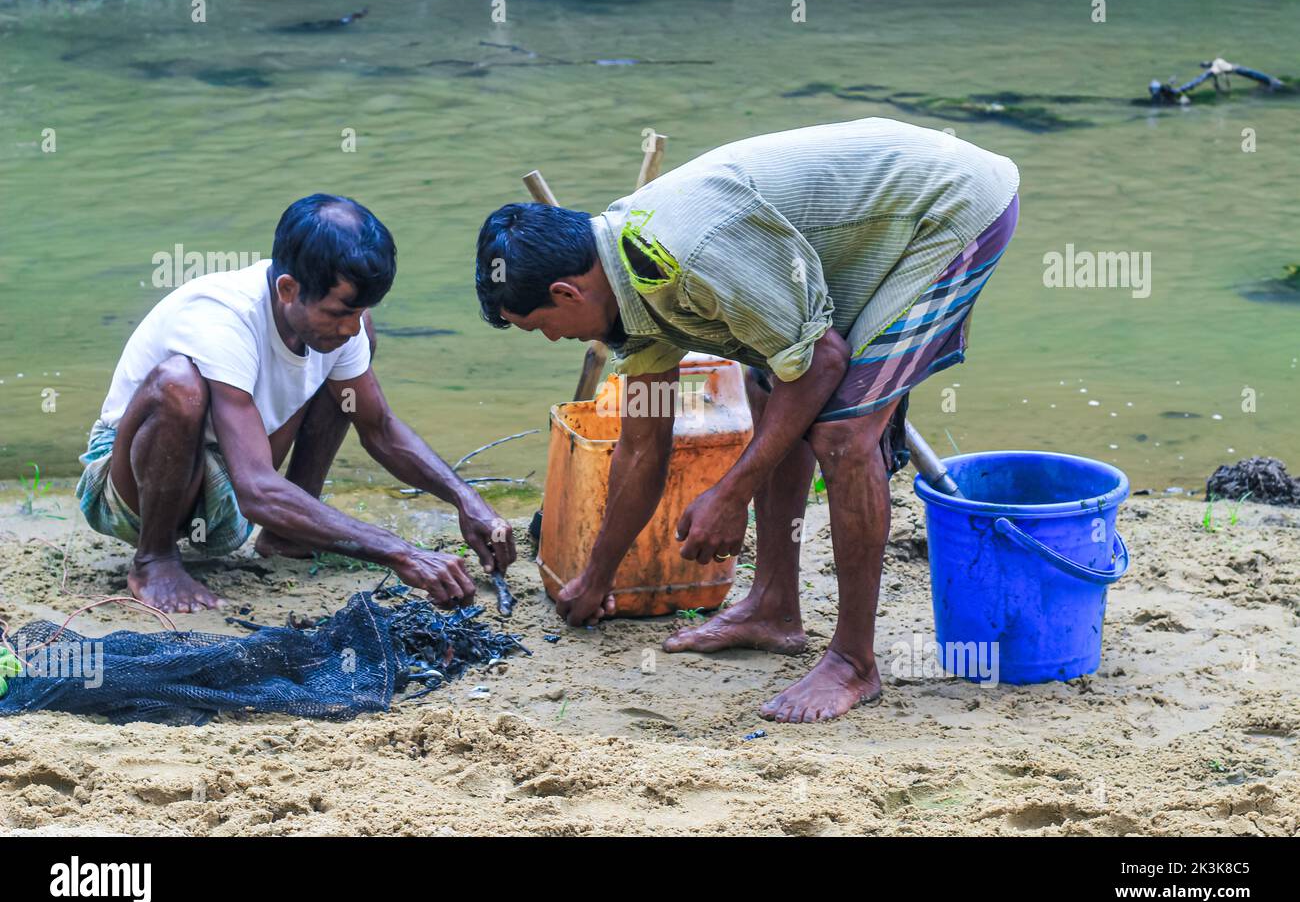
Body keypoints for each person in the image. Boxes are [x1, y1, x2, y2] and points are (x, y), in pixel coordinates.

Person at [474, 118, 1018, 722]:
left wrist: (731, 493)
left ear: (567, 294)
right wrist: (597, 576)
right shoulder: (628, 285)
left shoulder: (688, 253)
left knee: (842, 433)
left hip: (950, 209)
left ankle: (854, 662)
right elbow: (639, 449)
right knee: (766, 384)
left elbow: (820, 363)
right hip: (870, 225)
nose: (551, 338)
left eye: (540, 326)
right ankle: (774, 607)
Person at [78, 194, 516, 612]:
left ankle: (287, 536)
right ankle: (154, 559)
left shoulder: (341, 324)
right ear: (287, 288)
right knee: (179, 385)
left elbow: (379, 428)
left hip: (230, 481)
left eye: (357, 310)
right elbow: (255, 489)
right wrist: (402, 554)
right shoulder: (220, 317)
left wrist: (465, 499)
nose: (349, 327)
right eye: (338, 312)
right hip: (134, 489)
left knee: (346, 362)